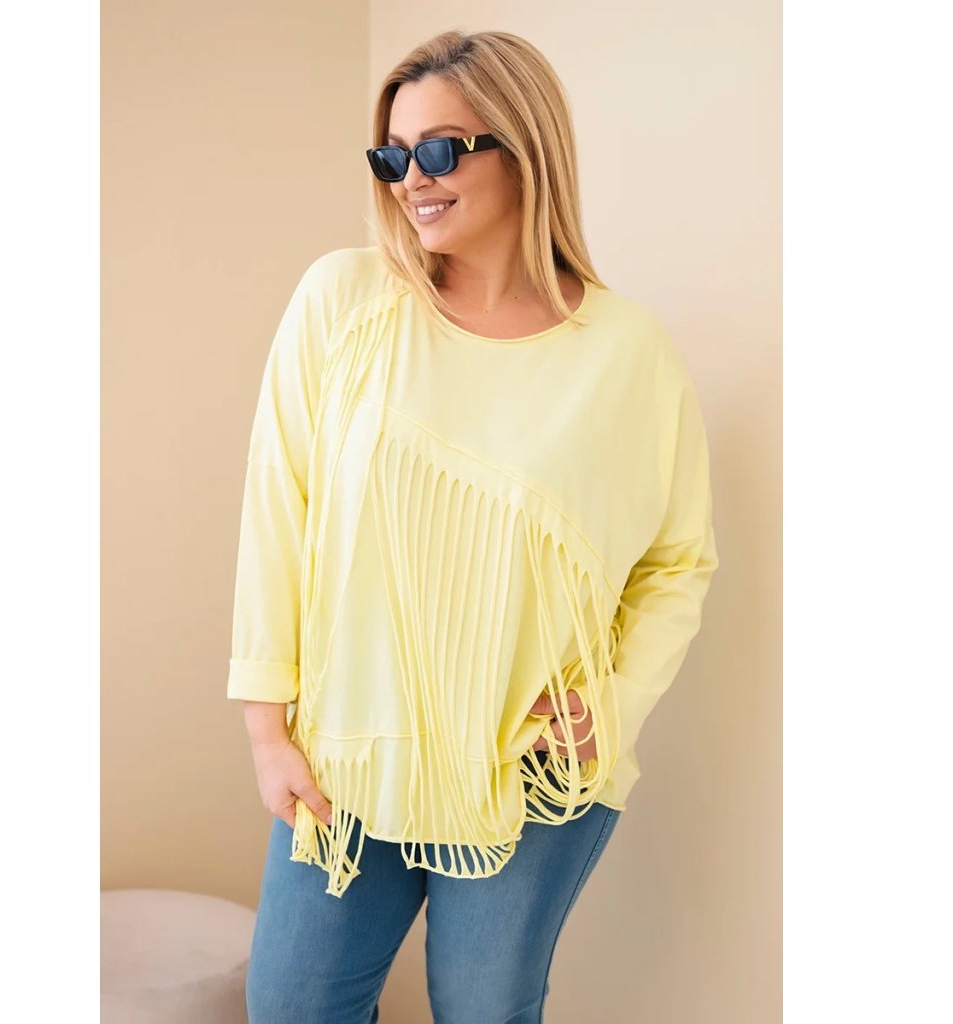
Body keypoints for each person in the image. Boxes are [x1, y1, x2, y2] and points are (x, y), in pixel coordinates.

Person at [227, 28, 719, 1024]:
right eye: (393, 155)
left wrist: (614, 703)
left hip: (529, 772)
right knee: (291, 1005)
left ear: (524, 147)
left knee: (484, 1009)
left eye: (442, 149)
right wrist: (267, 729)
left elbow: (678, 561)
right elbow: (278, 504)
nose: (414, 178)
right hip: (351, 750)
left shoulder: (625, 353)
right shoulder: (344, 301)